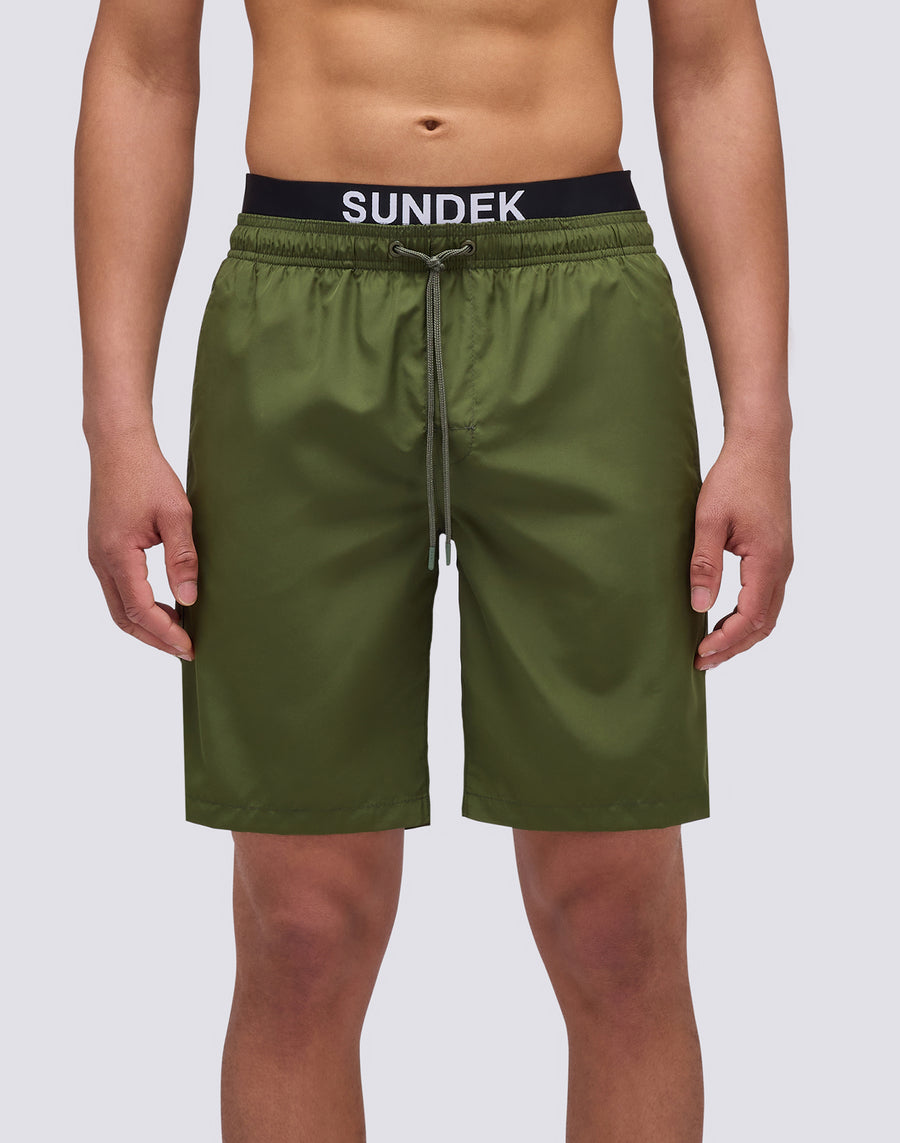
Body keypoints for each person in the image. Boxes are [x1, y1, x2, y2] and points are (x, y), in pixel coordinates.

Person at [74, 0, 793, 1138]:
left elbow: (710, 64)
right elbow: (143, 66)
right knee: (300, 930)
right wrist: (115, 425)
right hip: (299, 302)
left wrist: (761, 425)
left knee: (616, 920)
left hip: (578, 302)